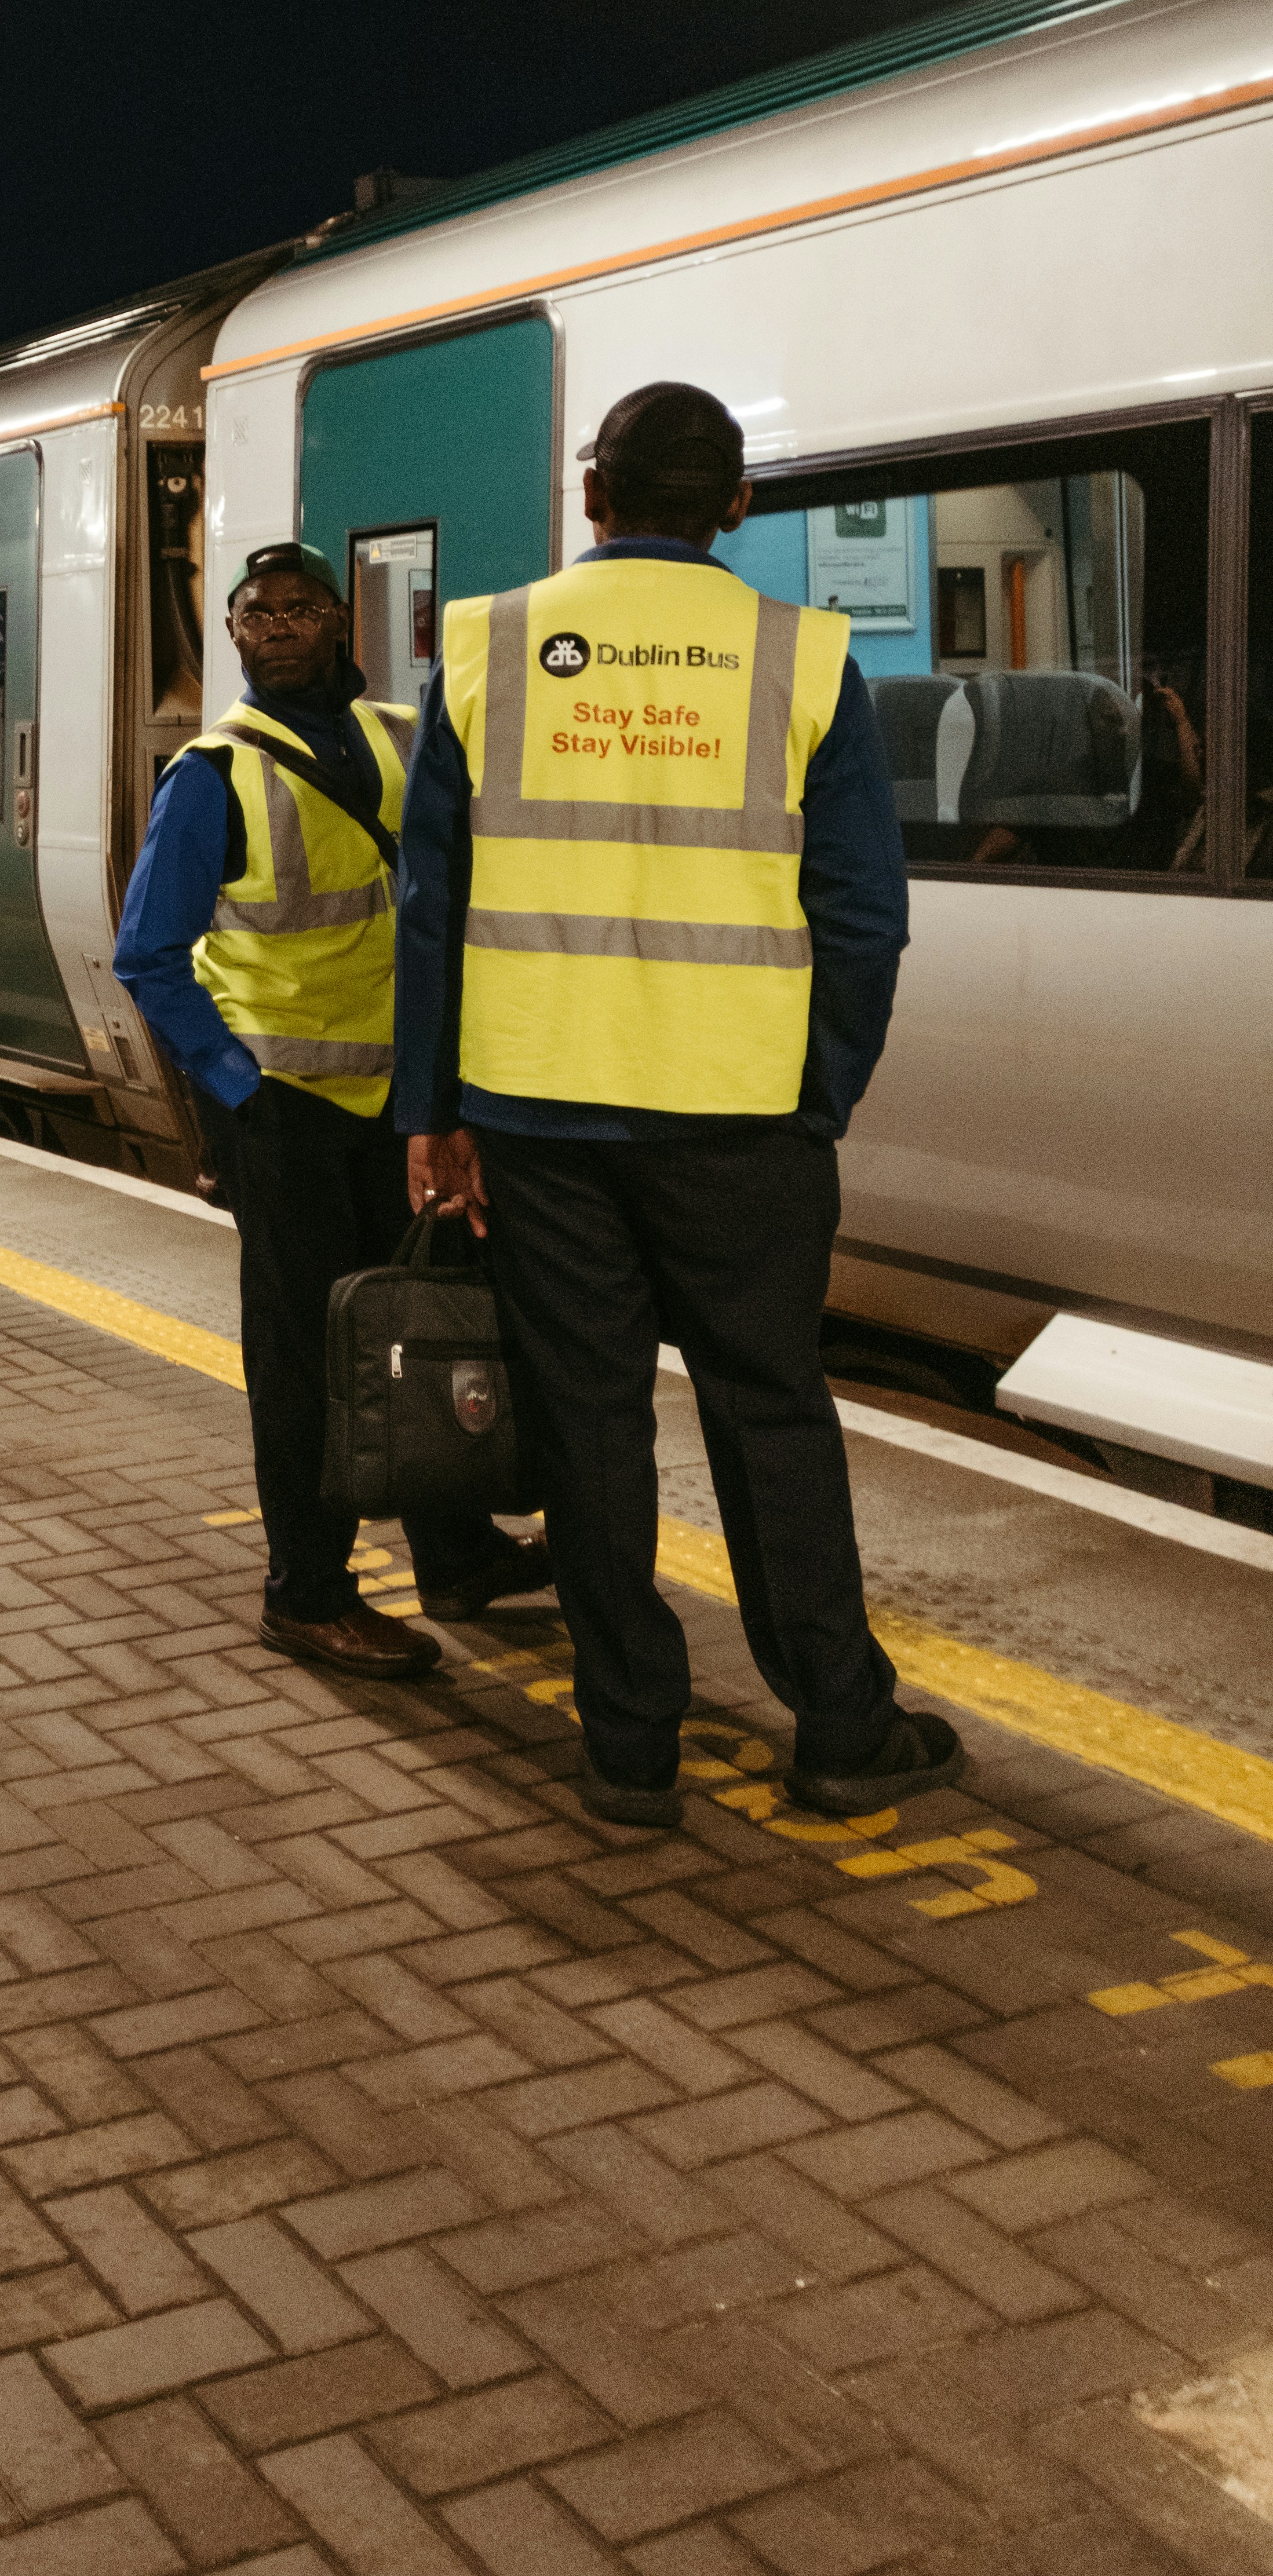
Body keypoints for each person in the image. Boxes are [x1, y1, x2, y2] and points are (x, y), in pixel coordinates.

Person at [395, 377, 944, 1837]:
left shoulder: (486, 647)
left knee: (588, 1427)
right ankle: (836, 1726)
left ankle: (629, 1746)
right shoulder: (801, 659)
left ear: (591, 498)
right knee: (770, 1415)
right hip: (742, 1120)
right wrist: (812, 1092)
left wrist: (429, 1111)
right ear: (736, 507)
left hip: (536, 1115)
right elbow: (863, 920)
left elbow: (427, 907)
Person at [117, 542, 546, 1679]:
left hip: (409, 1110)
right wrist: (235, 1090)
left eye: (301, 604)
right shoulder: (211, 775)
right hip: (293, 1114)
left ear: (340, 620)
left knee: (428, 1323)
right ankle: (306, 1592)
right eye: (254, 609)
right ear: (236, 635)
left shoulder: (409, 741)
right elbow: (147, 957)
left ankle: (453, 1551)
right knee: (307, 1362)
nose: (277, 623)